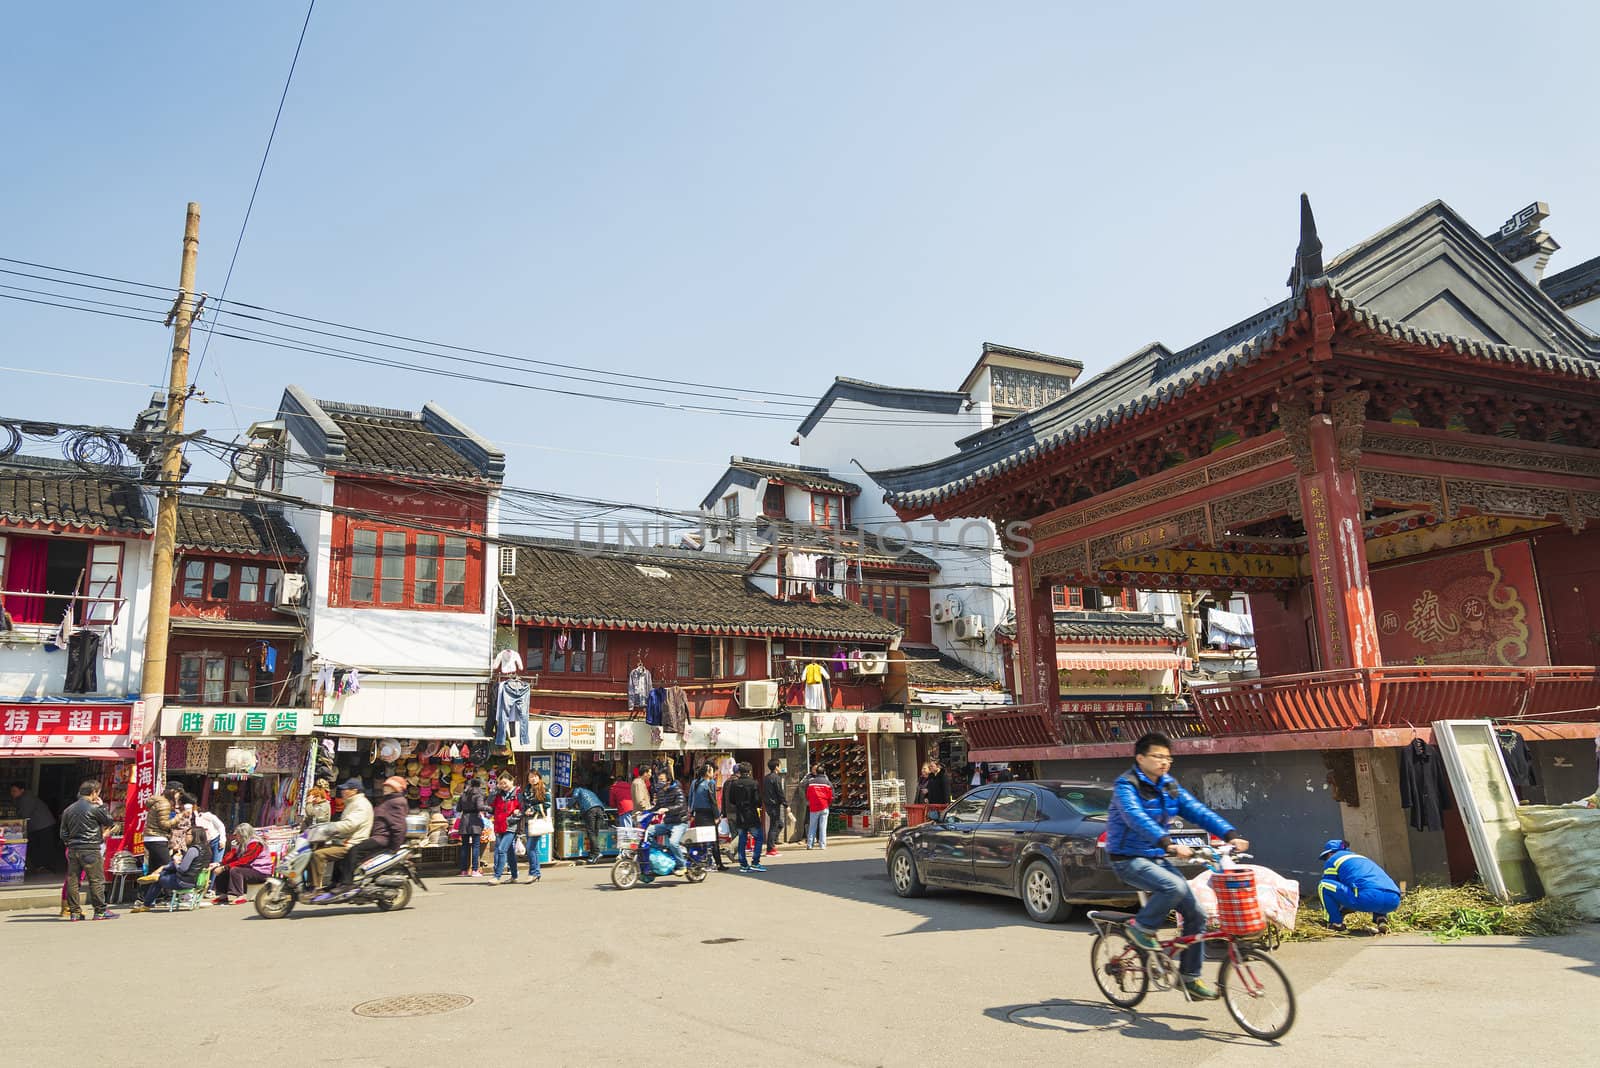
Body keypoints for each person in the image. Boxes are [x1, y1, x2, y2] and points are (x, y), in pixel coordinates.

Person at [1104, 732, 1248, 1001]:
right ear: (1140, 758)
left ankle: (1189, 977)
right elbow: (1135, 818)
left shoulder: (1169, 786)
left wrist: (1230, 834)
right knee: (1174, 886)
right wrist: (1168, 843)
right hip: (1127, 858)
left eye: (1168, 757)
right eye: (1158, 756)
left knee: (1198, 914)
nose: (1164, 762)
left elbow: (1197, 811)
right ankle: (1141, 929)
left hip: (1155, 857)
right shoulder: (1127, 785)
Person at [1318, 839, 1402, 933]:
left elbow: (1332, 889)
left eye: (1326, 857)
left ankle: (1335, 923)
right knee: (1374, 887)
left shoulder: (1333, 860)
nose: (1326, 859)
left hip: (1368, 899)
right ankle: (1381, 919)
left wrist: (1337, 912)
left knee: (1324, 885)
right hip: (1393, 900)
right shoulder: (1361, 858)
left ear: (1330, 853)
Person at [58, 781, 114, 920]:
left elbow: (63, 833)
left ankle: (75, 912)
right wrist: (102, 806)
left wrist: (70, 843)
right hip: (90, 848)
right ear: (94, 792)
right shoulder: (94, 808)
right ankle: (100, 911)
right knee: (96, 880)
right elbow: (109, 821)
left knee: (73, 880)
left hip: (73, 849)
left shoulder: (68, 810)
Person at [309, 779, 371, 891]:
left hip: (352, 842)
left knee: (318, 855)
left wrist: (332, 827)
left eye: (345, 789)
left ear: (354, 791)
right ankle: (335, 882)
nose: (342, 791)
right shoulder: (352, 803)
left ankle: (315, 888)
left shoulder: (360, 805)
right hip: (344, 840)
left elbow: (350, 824)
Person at [132, 834, 203, 913]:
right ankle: (157, 875)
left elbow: (183, 869)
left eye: (188, 834)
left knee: (159, 880)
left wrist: (176, 862)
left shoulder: (193, 850)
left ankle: (146, 904)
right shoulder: (204, 850)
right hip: (194, 880)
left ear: (195, 835)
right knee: (167, 869)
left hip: (185, 881)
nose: (185, 837)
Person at [211, 823, 273, 905]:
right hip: (249, 869)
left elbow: (244, 861)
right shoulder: (242, 845)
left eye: (237, 835)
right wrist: (219, 864)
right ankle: (223, 895)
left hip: (260, 872)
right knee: (225, 869)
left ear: (243, 835)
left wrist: (224, 867)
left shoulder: (256, 844)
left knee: (235, 870)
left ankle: (239, 896)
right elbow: (233, 858)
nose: (235, 837)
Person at [10, 782, 59, 874]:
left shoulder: (26, 798)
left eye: (14, 791)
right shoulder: (22, 798)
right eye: (11, 791)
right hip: (39, 826)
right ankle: (41, 866)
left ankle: (46, 867)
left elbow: (24, 814)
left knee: (44, 846)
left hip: (43, 825)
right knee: (39, 846)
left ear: (22, 790)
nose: (12, 793)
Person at [726, 763, 766, 873]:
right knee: (759, 838)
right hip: (752, 815)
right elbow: (758, 801)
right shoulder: (754, 783)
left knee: (742, 840)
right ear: (749, 771)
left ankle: (743, 864)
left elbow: (732, 800)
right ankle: (755, 862)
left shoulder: (735, 784)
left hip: (740, 815)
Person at [648, 769, 689, 870]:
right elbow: (657, 807)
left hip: (680, 823)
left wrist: (667, 809)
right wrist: (645, 812)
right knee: (647, 832)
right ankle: (662, 852)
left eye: (662, 780)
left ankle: (682, 865)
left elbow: (680, 805)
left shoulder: (677, 790)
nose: (659, 782)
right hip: (667, 823)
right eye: (658, 780)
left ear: (668, 781)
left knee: (673, 843)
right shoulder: (661, 793)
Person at [690, 764, 726, 872]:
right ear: (707, 773)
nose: (713, 772)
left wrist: (691, 813)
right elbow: (713, 800)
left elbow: (691, 799)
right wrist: (717, 816)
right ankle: (718, 864)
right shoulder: (710, 783)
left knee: (700, 839)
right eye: (711, 770)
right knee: (713, 840)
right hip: (708, 814)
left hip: (698, 814)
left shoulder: (694, 783)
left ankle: (700, 862)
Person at [490, 774, 524, 884]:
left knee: (501, 850)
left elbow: (523, 807)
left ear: (511, 781)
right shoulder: (499, 794)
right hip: (499, 825)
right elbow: (489, 804)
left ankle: (497, 876)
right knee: (509, 853)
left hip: (511, 826)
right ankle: (514, 876)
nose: (503, 785)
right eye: (501, 783)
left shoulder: (518, 793)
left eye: (505, 783)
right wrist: (495, 791)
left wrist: (517, 813)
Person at [519, 770, 550, 884]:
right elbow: (523, 804)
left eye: (535, 776)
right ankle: (537, 873)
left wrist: (533, 809)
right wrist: (523, 810)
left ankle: (532, 873)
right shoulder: (526, 790)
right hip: (528, 822)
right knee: (534, 849)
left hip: (538, 821)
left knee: (530, 847)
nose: (533, 779)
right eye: (530, 777)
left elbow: (548, 804)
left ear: (539, 778)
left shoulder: (544, 789)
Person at [567, 783, 608, 864]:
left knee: (591, 832)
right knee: (595, 833)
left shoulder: (578, 789)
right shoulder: (589, 792)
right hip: (600, 809)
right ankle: (593, 855)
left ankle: (596, 852)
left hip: (590, 810)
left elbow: (574, 797)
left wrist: (568, 806)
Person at [143, 784, 176, 875]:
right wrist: (179, 818)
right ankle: (167, 888)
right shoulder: (164, 804)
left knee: (154, 869)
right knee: (168, 867)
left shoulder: (157, 802)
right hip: (157, 838)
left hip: (150, 838)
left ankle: (149, 888)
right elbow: (164, 824)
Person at [457, 777, 487, 877]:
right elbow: (480, 807)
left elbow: (458, 808)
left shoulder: (463, 794)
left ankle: (463, 871)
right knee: (476, 846)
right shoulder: (478, 794)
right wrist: (491, 809)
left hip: (464, 820)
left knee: (464, 846)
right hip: (475, 821)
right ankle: (474, 870)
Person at [762, 758, 788, 857]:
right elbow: (779, 792)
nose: (780, 767)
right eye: (779, 765)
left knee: (779, 824)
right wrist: (785, 804)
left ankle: (772, 843)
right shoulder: (776, 778)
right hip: (774, 805)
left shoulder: (766, 778)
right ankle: (770, 848)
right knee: (774, 826)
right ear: (776, 767)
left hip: (769, 805)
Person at [804, 768, 834, 850]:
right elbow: (831, 796)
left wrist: (810, 802)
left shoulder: (810, 783)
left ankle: (810, 844)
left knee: (812, 826)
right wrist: (828, 804)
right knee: (823, 827)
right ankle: (822, 845)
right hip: (824, 806)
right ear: (824, 772)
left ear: (816, 772)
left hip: (813, 807)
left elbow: (807, 795)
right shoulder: (828, 783)